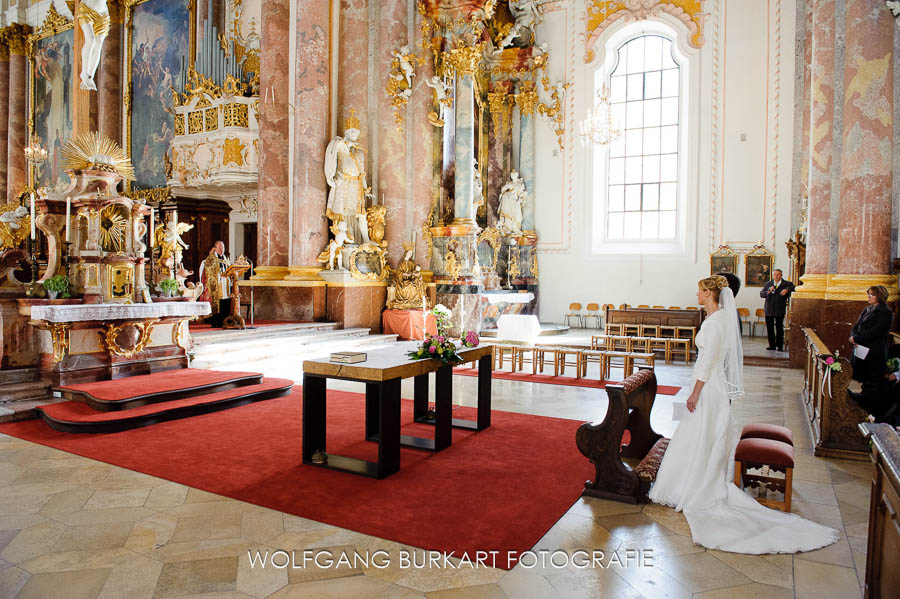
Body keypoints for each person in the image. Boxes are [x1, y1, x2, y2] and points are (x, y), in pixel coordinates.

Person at [649, 275, 839, 553]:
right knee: (702, 433)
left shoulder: (716, 323)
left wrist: (695, 392)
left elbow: (708, 360)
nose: (697, 295)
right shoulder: (721, 317)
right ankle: (695, 475)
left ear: (709, 294)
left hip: (709, 386)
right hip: (712, 384)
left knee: (701, 433)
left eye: (700, 291)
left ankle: (694, 484)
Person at [849, 285, 893, 390]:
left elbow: (876, 332)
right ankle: (862, 397)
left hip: (874, 349)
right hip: (861, 347)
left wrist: (857, 338)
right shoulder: (867, 309)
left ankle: (868, 401)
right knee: (863, 377)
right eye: (868, 294)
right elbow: (857, 325)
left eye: (872, 294)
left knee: (872, 379)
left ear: (880, 296)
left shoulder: (886, 312)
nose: (868, 296)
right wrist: (853, 336)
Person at [759, 269, 794, 351]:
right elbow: (762, 294)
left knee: (779, 328)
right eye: (775, 274)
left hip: (779, 309)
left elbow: (794, 288)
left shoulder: (786, 284)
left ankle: (780, 346)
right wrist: (768, 291)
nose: (776, 276)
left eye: (778, 274)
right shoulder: (768, 284)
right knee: (770, 328)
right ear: (772, 275)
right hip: (769, 309)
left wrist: (787, 290)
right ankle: (772, 345)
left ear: (781, 275)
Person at [199, 241, 232, 328]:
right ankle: (216, 322)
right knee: (218, 304)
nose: (222, 249)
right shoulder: (211, 259)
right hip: (217, 284)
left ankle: (224, 320)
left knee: (225, 303)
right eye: (220, 247)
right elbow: (208, 272)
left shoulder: (225, 259)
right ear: (215, 248)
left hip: (226, 285)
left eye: (223, 248)